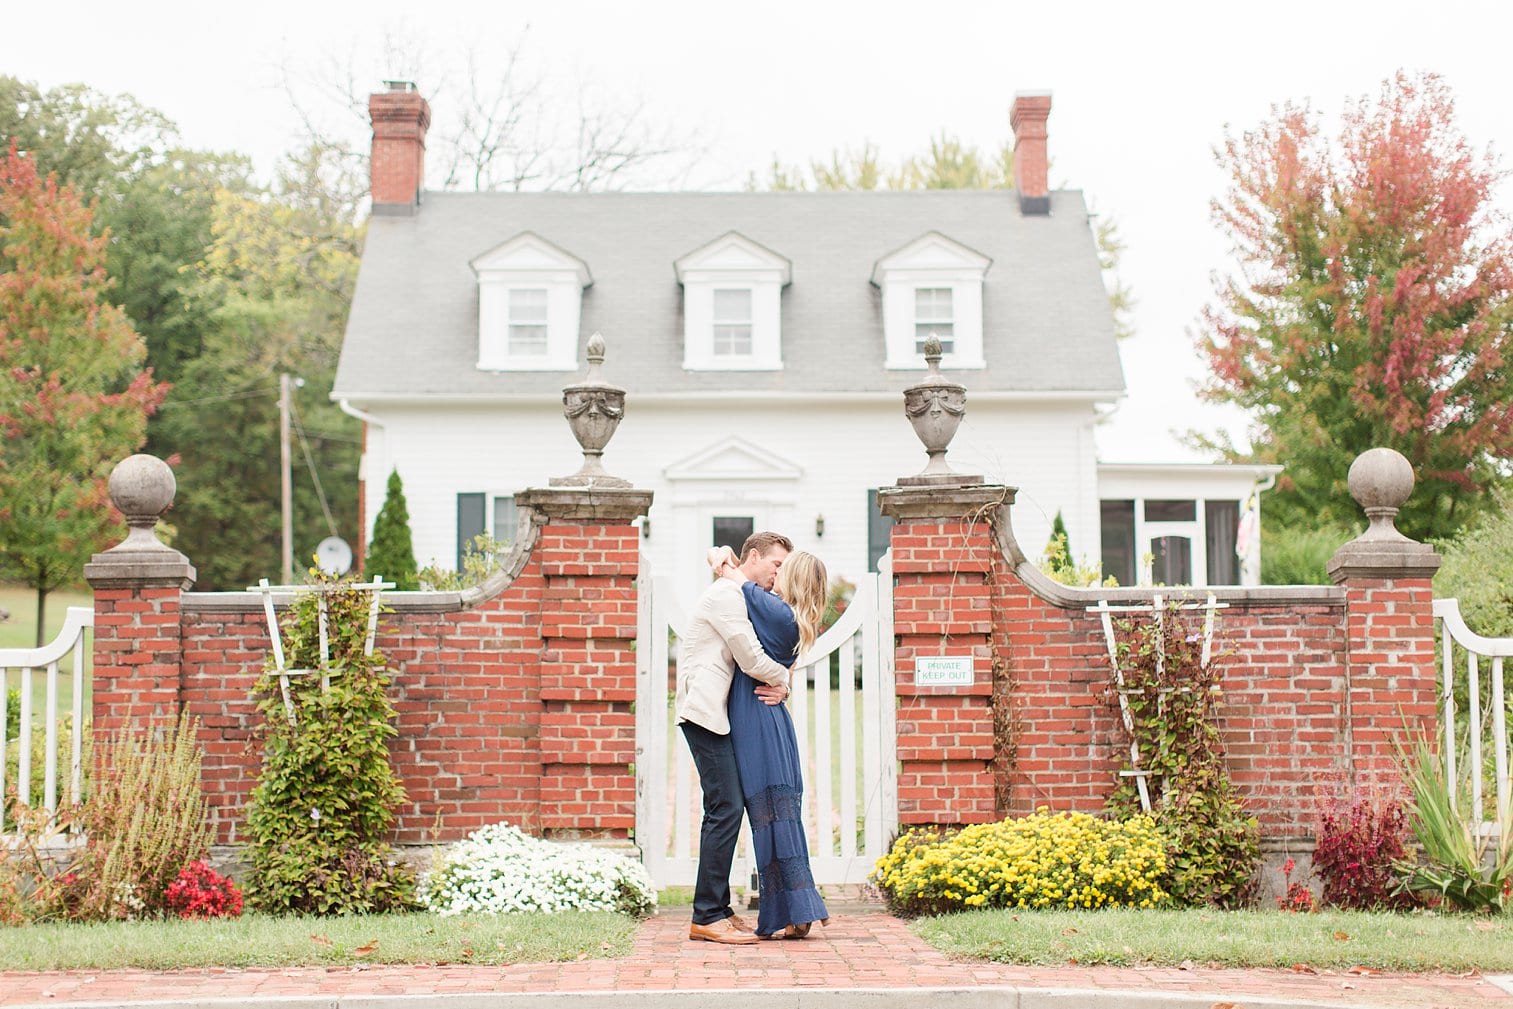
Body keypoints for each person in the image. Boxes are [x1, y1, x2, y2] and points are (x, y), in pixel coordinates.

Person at [675, 531, 795, 945]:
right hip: (704, 712)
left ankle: (719, 909)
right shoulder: (727, 596)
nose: (778, 576)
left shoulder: (734, 590)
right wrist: (786, 679)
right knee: (724, 808)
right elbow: (750, 656)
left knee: (728, 805)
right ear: (755, 557)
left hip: (715, 714)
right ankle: (706, 915)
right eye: (776, 565)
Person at [714, 546, 832, 939]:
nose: (775, 573)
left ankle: (795, 912)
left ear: (793, 579)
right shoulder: (794, 619)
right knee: (780, 817)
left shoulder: (776, 611)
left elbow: (735, 577)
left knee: (770, 819)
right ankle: (801, 907)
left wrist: (723, 558)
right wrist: (785, 686)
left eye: (783, 568)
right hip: (771, 716)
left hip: (757, 719)